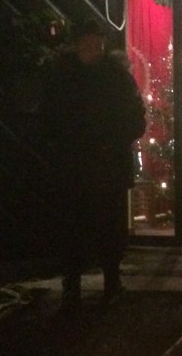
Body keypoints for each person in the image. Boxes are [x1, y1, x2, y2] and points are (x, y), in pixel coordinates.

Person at [42, 18, 147, 309]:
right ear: (77, 46)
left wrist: (113, 142)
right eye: (88, 45)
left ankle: (110, 282)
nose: (94, 51)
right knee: (73, 227)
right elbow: (49, 118)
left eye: (98, 45)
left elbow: (135, 118)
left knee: (109, 227)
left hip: (105, 164)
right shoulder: (63, 77)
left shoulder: (115, 77)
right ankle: (73, 285)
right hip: (76, 166)